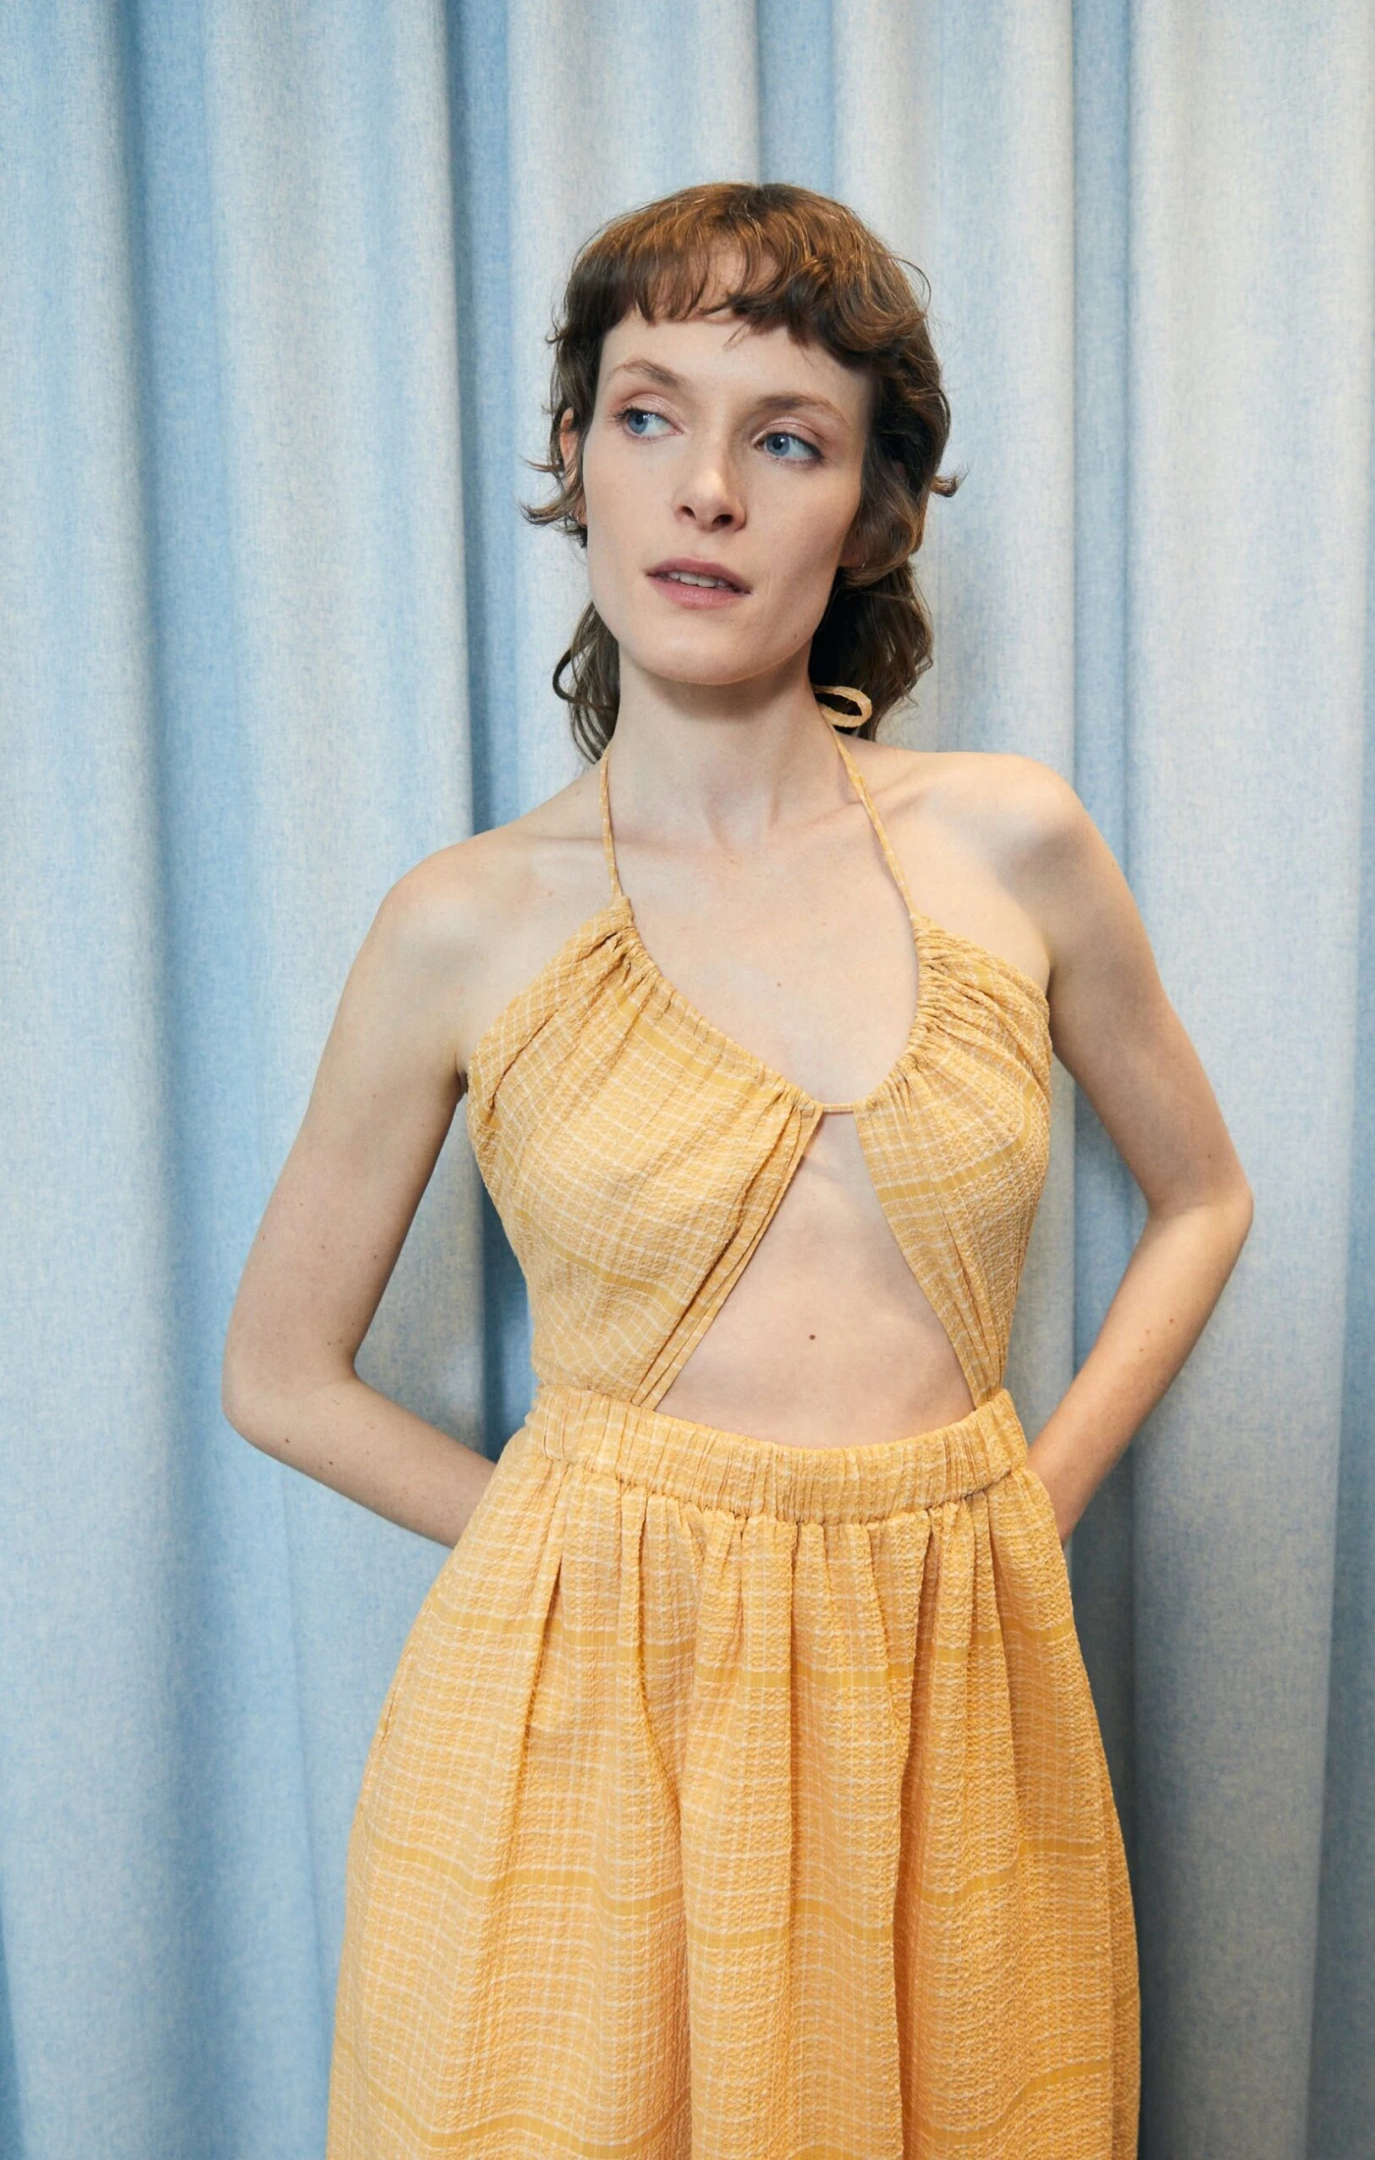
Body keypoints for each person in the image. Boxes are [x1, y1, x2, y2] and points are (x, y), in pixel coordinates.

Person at [222, 180, 1252, 2160]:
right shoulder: (461, 922)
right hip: (589, 1719)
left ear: (873, 514)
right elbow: (276, 1372)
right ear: (575, 459)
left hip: (953, 1686)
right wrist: (588, 1543)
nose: (705, 487)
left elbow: (1202, 1195)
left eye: (785, 438)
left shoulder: (1012, 844)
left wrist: (1035, 1497)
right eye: (648, 414)